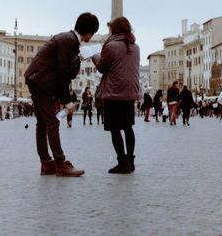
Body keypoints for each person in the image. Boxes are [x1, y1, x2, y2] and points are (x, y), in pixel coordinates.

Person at [24, 12, 99, 177]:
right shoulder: (69, 41)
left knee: (43, 123)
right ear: (90, 32)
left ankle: (46, 163)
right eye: (92, 33)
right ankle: (59, 163)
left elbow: (61, 68)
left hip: (37, 79)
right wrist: (67, 101)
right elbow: (62, 71)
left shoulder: (68, 39)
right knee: (51, 122)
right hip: (41, 81)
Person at [91, 16, 140, 174]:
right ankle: (131, 162)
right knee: (128, 127)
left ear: (114, 29)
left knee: (114, 128)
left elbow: (101, 66)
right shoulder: (136, 47)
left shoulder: (111, 46)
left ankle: (122, 163)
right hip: (130, 92)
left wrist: (94, 54)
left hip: (114, 92)